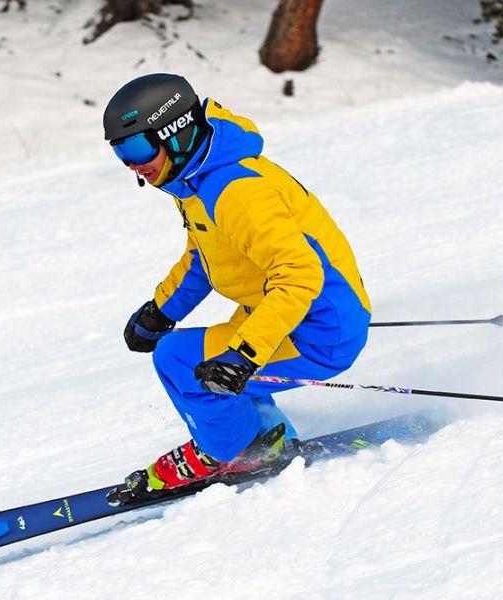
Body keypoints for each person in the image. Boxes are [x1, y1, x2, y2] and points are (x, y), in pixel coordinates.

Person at [102, 73, 372, 502]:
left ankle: (232, 452)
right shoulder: (197, 179)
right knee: (200, 354)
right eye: (121, 154)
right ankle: (266, 434)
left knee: (178, 361)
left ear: (176, 133)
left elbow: (299, 275)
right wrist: (162, 310)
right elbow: (205, 257)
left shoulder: (237, 191)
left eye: (137, 148)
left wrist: (243, 357)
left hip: (316, 330)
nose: (133, 165)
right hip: (285, 312)